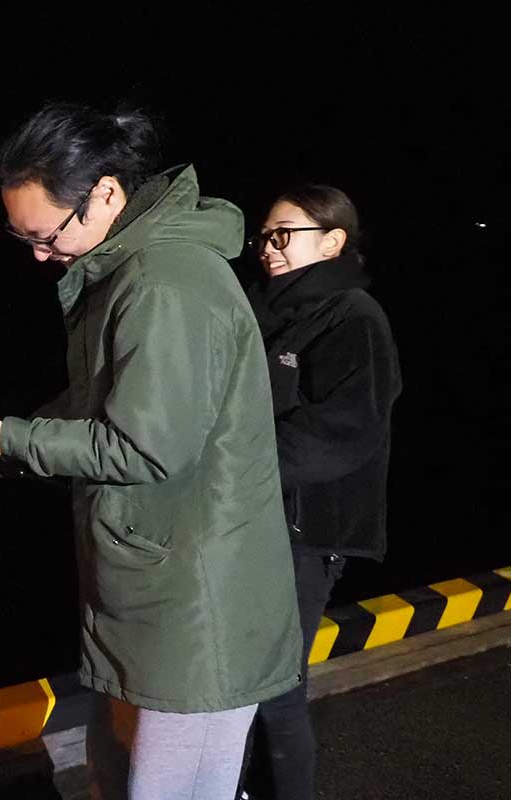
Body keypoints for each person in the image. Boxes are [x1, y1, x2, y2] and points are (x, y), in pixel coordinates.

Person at [0, 101, 303, 799]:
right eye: (22, 238)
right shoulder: (128, 269)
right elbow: (103, 399)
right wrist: (5, 447)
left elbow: (145, 446)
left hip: (196, 607)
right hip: (158, 590)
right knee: (125, 779)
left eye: (46, 234)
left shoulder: (164, 283)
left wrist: (11, 436)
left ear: (105, 192)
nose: (39, 254)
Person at [239, 185, 401, 800]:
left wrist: (229, 472)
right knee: (249, 682)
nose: (269, 249)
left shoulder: (353, 318)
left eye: (284, 235)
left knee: (277, 687)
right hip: (254, 521)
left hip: (303, 532)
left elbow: (344, 432)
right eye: (265, 237)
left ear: (333, 240)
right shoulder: (268, 310)